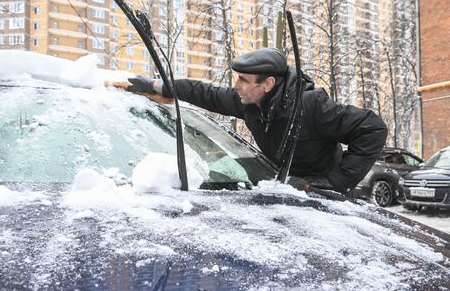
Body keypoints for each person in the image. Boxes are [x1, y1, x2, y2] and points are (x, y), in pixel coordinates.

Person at [126, 48, 387, 194]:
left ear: (268, 84)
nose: (235, 86)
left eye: (243, 80)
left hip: (324, 199)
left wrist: (336, 182)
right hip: (284, 192)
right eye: (236, 77)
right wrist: (156, 84)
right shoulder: (250, 103)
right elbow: (205, 93)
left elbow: (372, 128)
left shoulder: (311, 106)